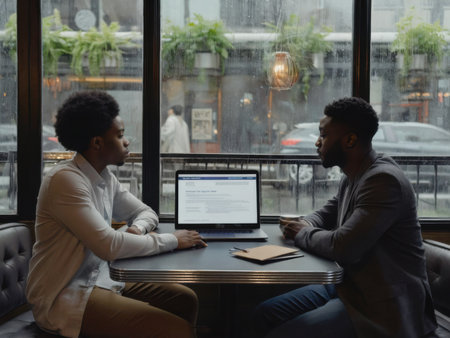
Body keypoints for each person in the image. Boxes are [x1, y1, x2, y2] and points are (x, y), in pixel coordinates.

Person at [26, 91, 207, 338]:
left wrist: (138, 229)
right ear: (97, 143)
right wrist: (174, 240)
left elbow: (146, 213)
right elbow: (109, 246)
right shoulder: (65, 181)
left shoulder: (104, 177)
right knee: (178, 330)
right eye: (120, 136)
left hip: (100, 279)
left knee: (186, 299)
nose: (127, 142)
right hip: (64, 295)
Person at [252, 97, 437, 337]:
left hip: (383, 305)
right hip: (350, 288)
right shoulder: (354, 174)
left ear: (350, 140)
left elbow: (343, 247)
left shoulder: (383, 180)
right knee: (263, 314)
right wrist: (306, 222)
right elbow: (327, 212)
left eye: (324, 135)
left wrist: (301, 232)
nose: (317, 143)